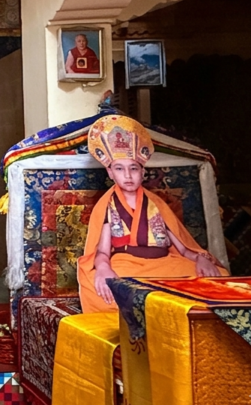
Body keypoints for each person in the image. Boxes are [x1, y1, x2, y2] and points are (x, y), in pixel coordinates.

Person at [77, 115, 228, 313]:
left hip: (164, 264)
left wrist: (200, 259)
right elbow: (103, 252)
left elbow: (183, 249)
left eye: (134, 168)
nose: (128, 175)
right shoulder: (108, 205)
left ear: (142, 171)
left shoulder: (156, 203)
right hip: (127, 265)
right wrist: (104, 268)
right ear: (110, 172)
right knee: (101, 288)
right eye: (119, 169)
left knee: (221, 276)